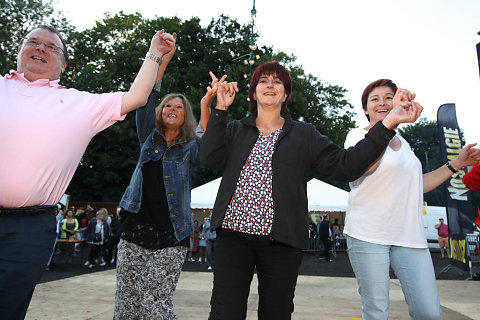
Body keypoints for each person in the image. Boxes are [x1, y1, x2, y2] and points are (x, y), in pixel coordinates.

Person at [199, 61, 423, 320]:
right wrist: (220, 109)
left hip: (281, 242)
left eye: (277, 81)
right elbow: (209, 158)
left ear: (286, 94)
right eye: (263, 81)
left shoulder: (303, 134)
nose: (270, 85)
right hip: (233, 237)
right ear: (252, 92)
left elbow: (347, 165)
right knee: (224, 313)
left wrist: (387, 125)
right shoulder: (237, 129)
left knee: (276, 313)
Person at [0, 23, 175, 319]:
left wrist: (154, 53)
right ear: (18, 50)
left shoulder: (79, 103)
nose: (40, 48)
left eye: (51, 46)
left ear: (63, 64)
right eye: (33, 42)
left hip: (28, 229)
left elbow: (136, 97)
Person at [343, 78, 480, 319]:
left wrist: (457, 163)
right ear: (365, 109)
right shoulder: (356, 136)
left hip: (409, 236)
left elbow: (418, 185)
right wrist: (391, 122)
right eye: (375, 99)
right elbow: (362, 166)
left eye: (389, 97)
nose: (383, 103)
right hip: (368, 234)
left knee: (428, 312)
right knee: (376, 311)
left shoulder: (404, 144)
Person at [113, 48, 219, 318]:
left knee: (155, 304)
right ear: (161, 112)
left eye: (179, 106)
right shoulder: (148, 136)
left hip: (172, 234)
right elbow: (147, 96)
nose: (172, 109)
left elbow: (208, 149)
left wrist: (206, 105)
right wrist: (162, 61)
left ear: (186, 116)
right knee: (127, 304)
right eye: (168, 105)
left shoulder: (190, 148)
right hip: (135, 228)